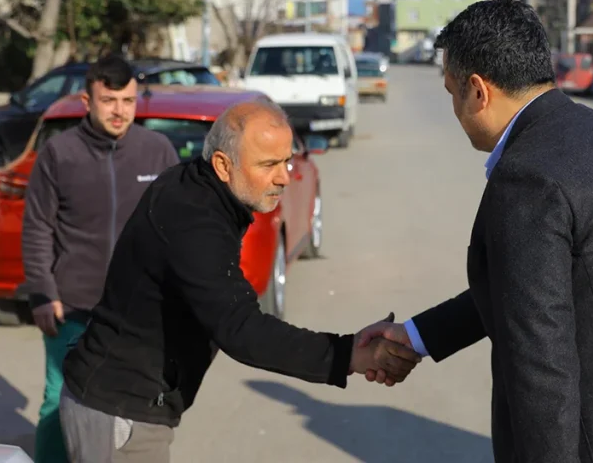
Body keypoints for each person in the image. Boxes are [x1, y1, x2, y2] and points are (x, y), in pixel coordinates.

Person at [360, 0, 593, 462]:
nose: (454, 109)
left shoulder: (527, 178)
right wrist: (417, 336)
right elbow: (534, 292)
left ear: (478, 91)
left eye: (452, 91)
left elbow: (540, 363)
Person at [58, 96, 421, 462]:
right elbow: (242, 328)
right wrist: (347, 355)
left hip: (125, 402)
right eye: (267, 164)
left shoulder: (198, 190)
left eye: (286, 161)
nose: (282, 177)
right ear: (222, 165)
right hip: (121, 411)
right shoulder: (194, 219)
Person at [21, 56, 180, 463]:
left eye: (127, 100)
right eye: (109, 100)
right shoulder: (59, 154)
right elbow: (38, 227)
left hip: (136, 314)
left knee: (135, 410)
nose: (119, 111)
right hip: (72, 307)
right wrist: (42, 293)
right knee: (59, 402)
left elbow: (178, 229)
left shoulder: (157, 151)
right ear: (86, 100)